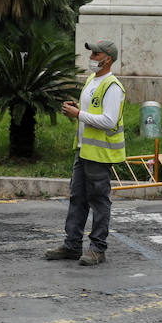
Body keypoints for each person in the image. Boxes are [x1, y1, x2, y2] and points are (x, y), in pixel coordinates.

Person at [46, 41, 126, 267]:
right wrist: (77, 110)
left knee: (99, 201)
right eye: (91, 52)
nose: (91, 56)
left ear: (107, 58)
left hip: (100, 154)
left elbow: (109, 121)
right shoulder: (92, 80)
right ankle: (72, 246)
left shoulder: (112, 86)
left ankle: (98, 249)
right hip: (84, 150)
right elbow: (92, 112)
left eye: (96, 53)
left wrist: (78, 113)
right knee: (77, 199)